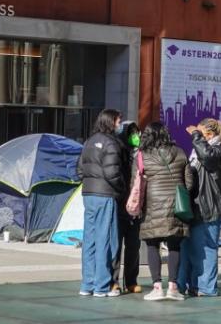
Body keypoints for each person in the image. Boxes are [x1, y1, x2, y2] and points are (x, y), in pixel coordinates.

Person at [135, 122, 194, 302]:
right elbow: (189, 183)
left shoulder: (142, 155)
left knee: (152, 245)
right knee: (174, 245)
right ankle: (173, 288)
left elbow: (136, 184)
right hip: (176, 204)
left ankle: (157, 287)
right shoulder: (180, 152)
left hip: (152, 205)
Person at [178, 118, 221, 297]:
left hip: (209, 206)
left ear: (209, 135)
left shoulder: (218, 151)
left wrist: (196, 135)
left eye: (201, 134)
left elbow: (207, 157)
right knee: (193, 247)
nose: (196, 138)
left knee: (207, 248)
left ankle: (206, 287)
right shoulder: (202, 150)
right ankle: (192, 283)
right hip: (198, 205)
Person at [76, 108, 127, 298]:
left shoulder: (89, 142)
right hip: (106, 194)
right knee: (106, 239)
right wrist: (121, 188)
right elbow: (112, 173)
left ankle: (86, 284)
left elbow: (80, 169)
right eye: (118, 120)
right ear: (111, 121)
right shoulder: (111, 143)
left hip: (88, 194)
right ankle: (102, 285)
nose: (119, 124)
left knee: (90, 239)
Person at [113, 121, 142, 294]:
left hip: (135, 208)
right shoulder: (118, 152)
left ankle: (131, 281)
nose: (136, 136)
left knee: (133, 246)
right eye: (132, 133)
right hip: (119, 205)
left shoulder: (141, 154)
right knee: (115, 246)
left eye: (137, 133)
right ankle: (113, 281)